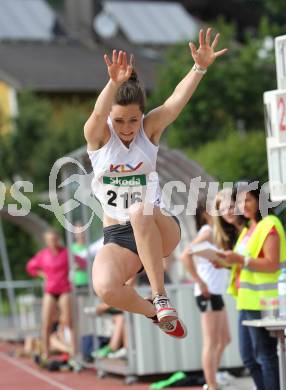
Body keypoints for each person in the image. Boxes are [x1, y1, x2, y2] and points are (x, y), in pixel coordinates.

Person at [84, 27, 227, 338]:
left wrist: (199, 67)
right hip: (118, 235)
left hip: (159, 227)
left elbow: (175, 102)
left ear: (142, 115)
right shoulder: (98, 138)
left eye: (133, 120)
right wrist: (112, 82)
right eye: (119, 120)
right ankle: (157, 314)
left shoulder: (148, 132)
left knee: (138, 210)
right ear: (110, 116)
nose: (126, 128)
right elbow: (96, 113)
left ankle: (161, 295)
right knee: (105, 288)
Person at [221, 184, 286, 390]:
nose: (243, 205)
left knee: (264, 357)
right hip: (246, 301)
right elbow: (243, 262)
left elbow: (271, 264)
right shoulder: (249, 229)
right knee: (249, 359)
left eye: (248, 200)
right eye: (240, 201)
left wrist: (240, 260)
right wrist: (225, 261)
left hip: (264, 301)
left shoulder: (269, 223)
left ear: (261, 200)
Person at [181, 192, 242, 390]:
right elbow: (184, 256)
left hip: (215, 291)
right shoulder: (207, 231)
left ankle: (213, 376)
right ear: (205, 215)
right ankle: (211, 384)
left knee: (225, 339)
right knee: (211, 341)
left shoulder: (217, 233)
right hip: (207, 291)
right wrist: (200, 282)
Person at [26, 229, 86, 363]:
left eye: (54, 239)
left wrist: (75, 268)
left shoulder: (66, 253)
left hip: (65, 289)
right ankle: (45, 353)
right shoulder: (43, 255)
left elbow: (82, 263)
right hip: (50, 290)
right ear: (46, 241)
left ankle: (75, 352)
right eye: (49, 240)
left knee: (69, 321)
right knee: (46, 322)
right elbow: (30, 267)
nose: (52, 242)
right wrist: (41, 274)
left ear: (58, 239)